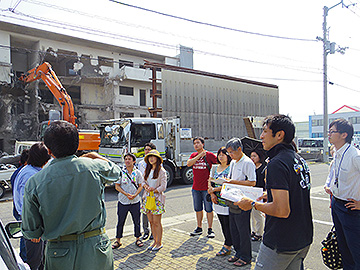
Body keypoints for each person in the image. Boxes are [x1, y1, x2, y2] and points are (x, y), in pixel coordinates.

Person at [21, 121, 122, 270]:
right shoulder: (94, 167)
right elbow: (117, 172)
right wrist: (94, 156)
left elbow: (32, 232)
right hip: (96, 249)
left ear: (49, 150)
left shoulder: (35, 182)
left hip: (60, 253)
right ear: (77, 145)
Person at [235, 114, 313, 270]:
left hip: (281, 240)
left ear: (279, 135)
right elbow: (293, 193)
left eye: (265, 131)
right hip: (303, 237)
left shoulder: (276, 163)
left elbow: (281, 210)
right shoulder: (299, 159)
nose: (261, 136)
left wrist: (251, 204)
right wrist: (266, 195)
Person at [325, 118, 360, 269]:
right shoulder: (337, 154)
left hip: (351, 208)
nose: (329, 135)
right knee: (343, 246)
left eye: (332, 132)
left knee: (355, 249)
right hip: (337, 203)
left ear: (344, 135)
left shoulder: (355, 156)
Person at [13, 142, 50, 270]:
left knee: (39, 261)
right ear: (45, 160)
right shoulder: (31, 175)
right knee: (34, 263)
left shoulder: (28, 170)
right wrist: (35, 230)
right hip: (33, 228)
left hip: (34, 226)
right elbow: (26, 206)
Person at [225, 138, 256, 267]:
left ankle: (246, 256)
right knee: (234, 229)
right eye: (228, 153)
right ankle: (238, 253)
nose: (230, 155)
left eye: (232, 152)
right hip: (232, 199)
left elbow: (252, 182)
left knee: (243, 230)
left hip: (243, 201)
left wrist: (233, 182)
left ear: (239, 149)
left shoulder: (248, 162)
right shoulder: (233, 162)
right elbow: (232, 179)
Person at [187, 137, 217, 238]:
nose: (196, 145)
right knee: (198, 209)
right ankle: (199, 227)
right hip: (196, 188)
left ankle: (210, 229)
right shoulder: (193, 155)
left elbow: (217, 166)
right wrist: (200, 155)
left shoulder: (209, 155)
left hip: (207, 188)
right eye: (194, 143)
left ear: (203, 144)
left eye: (198, 143)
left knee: (208, 209)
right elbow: (189, 164)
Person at [112, 152, 144, 249]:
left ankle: (138, 238)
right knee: (120, 221)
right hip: (123, 201)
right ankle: (118, 240)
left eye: (129, 159)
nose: (127, 161)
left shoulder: (137, 173)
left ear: (134, 161)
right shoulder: (121, 172)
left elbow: (141, 186)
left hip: (135, 201)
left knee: (137, 221)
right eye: (126, 159)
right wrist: (126, 194)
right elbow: (117, 186)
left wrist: (135, 195)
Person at [207, 147, 232, 256]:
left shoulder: (231, 167)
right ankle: (228, 242)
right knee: (222, 223)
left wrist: (215, 189)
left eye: (223, 154)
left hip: (227, 201)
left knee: (228, 224)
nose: (221, 157)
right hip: (216, 200)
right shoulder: (214, 167)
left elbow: (230, 185)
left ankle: (228, 244)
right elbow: (209, 181)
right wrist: (212, 193)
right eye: (219, 154)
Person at [141, 150, 167, 251]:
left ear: (157, 159)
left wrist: (155, 190)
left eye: (153, 157)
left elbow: (163, 186)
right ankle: (154, 241)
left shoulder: (162, 171)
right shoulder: (147, 169)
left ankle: (159, 242)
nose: (151, 159)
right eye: (149, 157)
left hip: (157, 199)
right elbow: (143, 181)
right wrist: (146, 186)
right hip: (147, 198)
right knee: (151, 221)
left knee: (157, 222)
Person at [10, 148, 29, 262]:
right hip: (21, 211)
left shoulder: (19, 171)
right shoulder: (25, 173)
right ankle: (24, 259)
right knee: (25, 236)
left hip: (18, 209)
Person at [137, 142, 156, 240]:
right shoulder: (140, 163)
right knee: (145, 211)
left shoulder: (157, 163)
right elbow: (140, 178)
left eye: (149, 149)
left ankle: (154, 232)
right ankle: (146, 231)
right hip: (144, 190)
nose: (147, 151)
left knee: (153, 211)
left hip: (154, 191)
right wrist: (144, 186)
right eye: (145, 149)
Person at [249, 150, 266, 242]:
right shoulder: (251, 167)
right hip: (251, 192)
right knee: (252, 213)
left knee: (258, 214)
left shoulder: (264, 168)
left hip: (260, 193)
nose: (252, 158)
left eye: (254, 156)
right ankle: (254, 230)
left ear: (260, 157)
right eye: (251, 156)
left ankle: (259, 233)